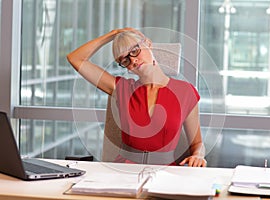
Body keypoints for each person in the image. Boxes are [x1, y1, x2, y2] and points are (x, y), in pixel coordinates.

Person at [67, 27, 207, 167]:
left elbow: (197, 143)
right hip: (125, 170)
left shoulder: (185, 92)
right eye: (125, 60)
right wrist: (113, 34)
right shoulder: (121, 88)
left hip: (165, 172)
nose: (133, 60)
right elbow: (75, 58)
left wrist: (198, 155)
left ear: (148, 44)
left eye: (134, 51)